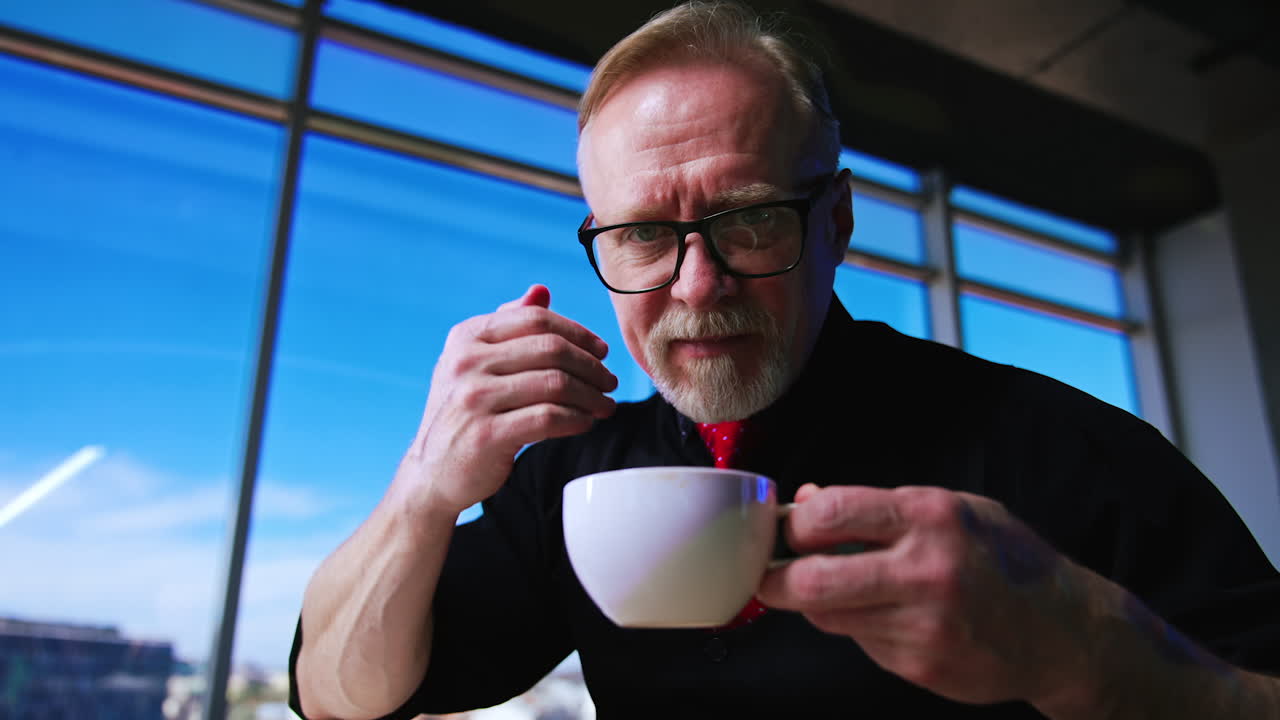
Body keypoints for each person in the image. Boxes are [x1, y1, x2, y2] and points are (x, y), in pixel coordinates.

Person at [288, 2, 1280, 718]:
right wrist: (424, 485)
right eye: (641, 234)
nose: (695, 285)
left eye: (750, 220)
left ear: (835, 221)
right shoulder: (579, 476)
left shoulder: (1058, 449)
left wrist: (1086, 653)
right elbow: (340, 695)